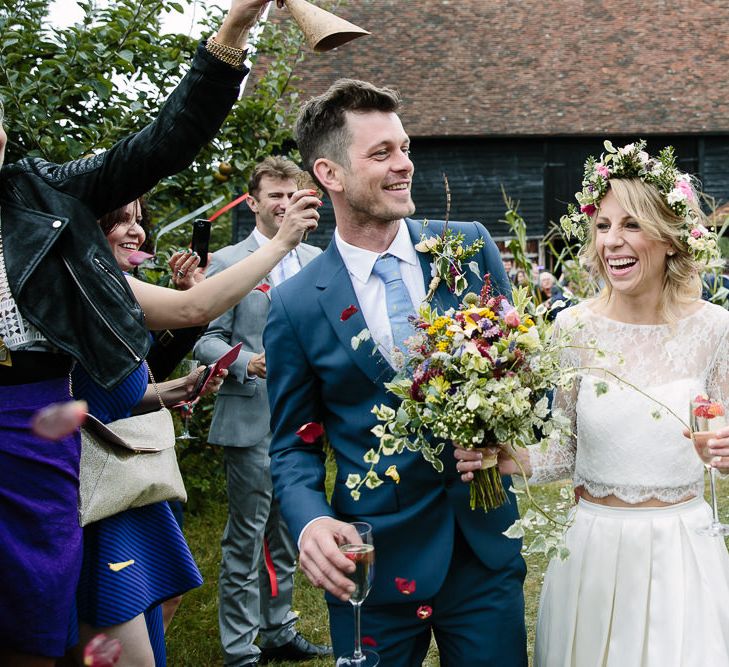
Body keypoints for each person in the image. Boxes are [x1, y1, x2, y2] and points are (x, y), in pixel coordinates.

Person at [0, 2, 295, 664]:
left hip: (33, 441)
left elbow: (158, 144)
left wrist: (232, 33)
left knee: (33, 626)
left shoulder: (39, 196)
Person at [264, 79, 527, 666]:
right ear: (329, 174)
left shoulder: (467, 251)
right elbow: (292, 446)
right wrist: (310, 524)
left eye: (404, 148)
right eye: (381, 154)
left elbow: (524, 376)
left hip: (481, 551)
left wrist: (505, 437)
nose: (404, 165)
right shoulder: (297, 303)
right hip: (372, 564)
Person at [456, 141, 729, 665]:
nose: (612, 242)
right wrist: (504, 456)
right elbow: (563, 451)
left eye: (631, 225)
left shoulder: (714, 329)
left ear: (671, 238)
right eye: (602, 226)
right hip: (594, 550)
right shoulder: (573, 326)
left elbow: (721, 430)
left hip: (682, 547)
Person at [194, 156, 330, 666]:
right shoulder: (229, 262)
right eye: (273, 194)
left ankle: (278, 630)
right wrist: (248, 362)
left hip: (303, 422)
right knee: (245, 541)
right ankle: (240, 648)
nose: (283, 202)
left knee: (290, 533)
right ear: (252, 202)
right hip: (251, 419)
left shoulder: (318, 260)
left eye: (290, 193)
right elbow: (204, 340)